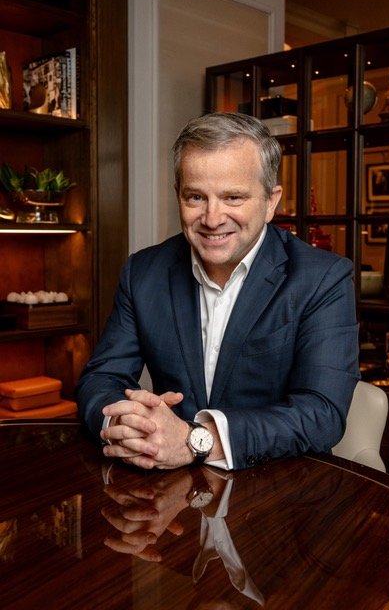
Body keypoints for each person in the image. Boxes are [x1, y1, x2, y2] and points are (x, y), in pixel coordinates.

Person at [76, 111, 360, 471]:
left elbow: (321, 413)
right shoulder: (143, 272)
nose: (212, 219)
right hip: (169, 484)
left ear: (271, 202)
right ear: (178, 195)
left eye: (233, 198)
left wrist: (198, 439)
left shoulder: (323, 278)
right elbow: (101, 378)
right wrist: (126, 424)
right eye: (196, 197)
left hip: (278, 487)